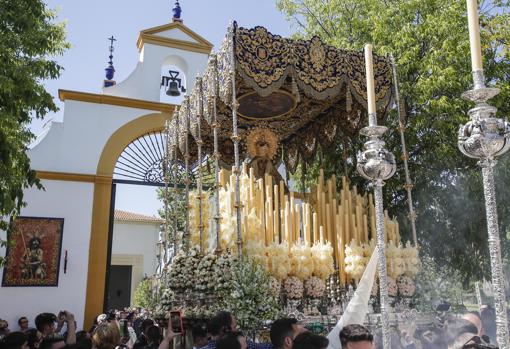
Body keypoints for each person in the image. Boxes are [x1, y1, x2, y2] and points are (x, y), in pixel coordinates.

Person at [203, 311, 272, 349]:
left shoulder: (237, 340)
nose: (237, 330)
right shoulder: (237, 342)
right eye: (235, 327)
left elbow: (259, 347)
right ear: (225, 329)